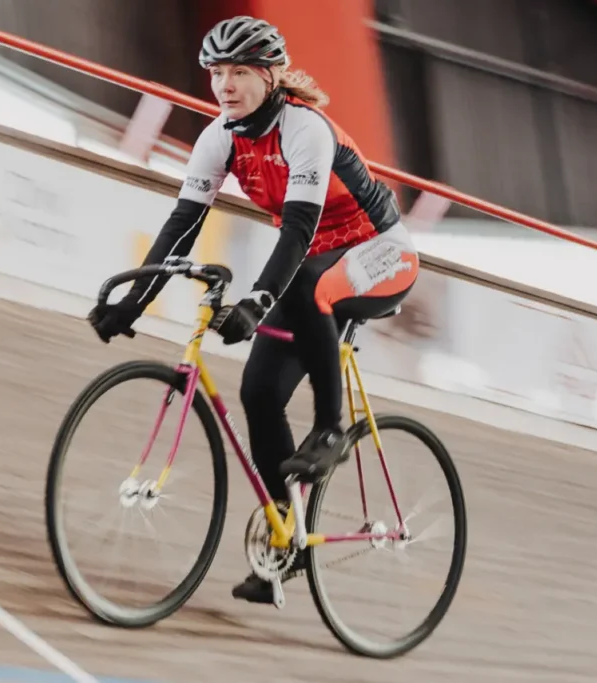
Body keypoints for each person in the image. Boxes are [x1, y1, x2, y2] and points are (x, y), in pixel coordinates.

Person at [87, 15, 420, 604]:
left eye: (239, 72)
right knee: (259, 393)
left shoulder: (305, 129)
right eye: (217, 73)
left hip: (381, 253)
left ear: (270, 77)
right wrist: (134, 302)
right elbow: (180, 227)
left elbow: (296, 233)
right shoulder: (220, 138)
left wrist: (255, 302)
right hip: (315, 265)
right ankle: (285, 541)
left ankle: (329, 428)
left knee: (306, 283)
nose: (225, 85)